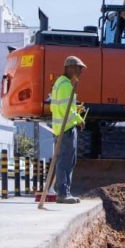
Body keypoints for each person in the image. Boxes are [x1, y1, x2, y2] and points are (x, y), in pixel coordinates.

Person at [50, 55, 87, 203]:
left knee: (65, 160)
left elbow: (61, 107)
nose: (80, 72)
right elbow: (65, 110)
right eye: (78, 68)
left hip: (61, 128)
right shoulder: (65, 85)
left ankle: (64, 192)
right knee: (66, 161)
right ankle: (63, 193)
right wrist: (79, 119)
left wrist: (76, 109)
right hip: (66, 128)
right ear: (70, 68)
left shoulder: (59, 83)